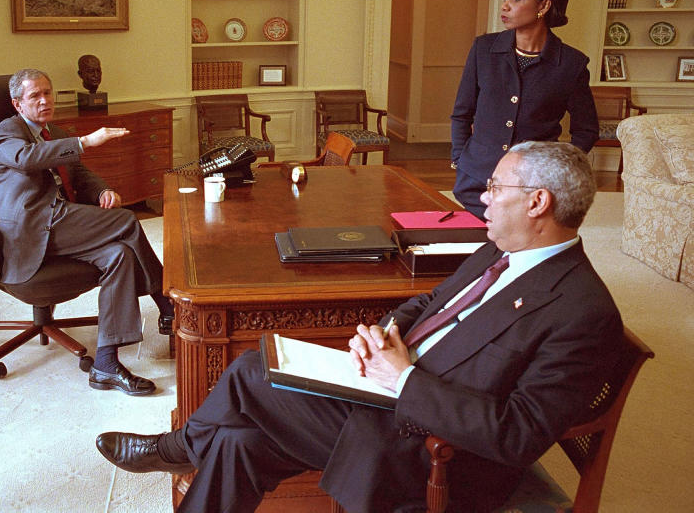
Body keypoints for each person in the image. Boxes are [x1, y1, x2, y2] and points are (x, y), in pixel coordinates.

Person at [96, 141, 622, 512]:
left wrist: (403, 379)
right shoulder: (498, 247)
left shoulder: (581, 311)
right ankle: (189, 446)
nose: (482, 197)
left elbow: (516, 436)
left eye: (496, 187)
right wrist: (384, 331)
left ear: (537, 202)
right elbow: (432, 300)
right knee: (237, 440)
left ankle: (179, 449)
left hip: (431, 445)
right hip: (385, 390)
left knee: (253, 370)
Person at [0, 68, 172, 396]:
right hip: (28, 231)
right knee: (126, 222)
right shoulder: (6, 133)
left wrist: (102, 192)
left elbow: (80, 173)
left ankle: (106, 364)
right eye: (35, 96)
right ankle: (167, 305)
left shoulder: (52, 131)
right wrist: (85, 141)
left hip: (57, 223)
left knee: (120, 255)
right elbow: (27, 159)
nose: (45, 100)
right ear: (17, 104)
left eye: (48, 93)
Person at [451, 0, 599, 219]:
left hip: (531, 188)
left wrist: (556, 172)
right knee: (472, 250)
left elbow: (586, 130)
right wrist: (460, 161)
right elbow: (462, 112)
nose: (505, 6)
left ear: (543, 5)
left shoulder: (571, 64)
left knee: (521, 254)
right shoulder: (484, 49)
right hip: (475, 180)